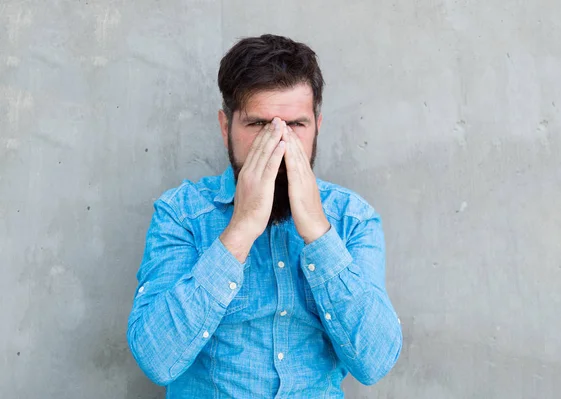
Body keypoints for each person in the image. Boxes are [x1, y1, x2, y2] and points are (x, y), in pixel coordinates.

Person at [127, 34, 403, 398]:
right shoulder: (182, 214)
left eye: (296, 126)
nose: (279, 142)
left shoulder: (352, 218)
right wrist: (239, 232)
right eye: (259, 125)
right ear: (226, 127)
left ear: (318, 125)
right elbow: (156, 360)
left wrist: (320, 234)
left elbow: (375, 363)